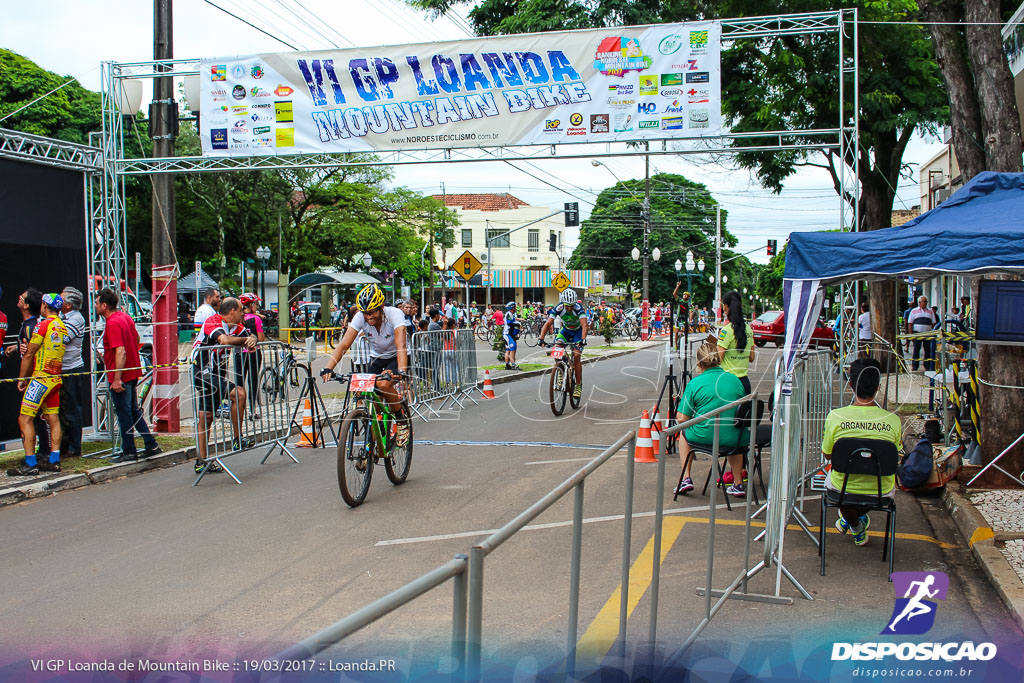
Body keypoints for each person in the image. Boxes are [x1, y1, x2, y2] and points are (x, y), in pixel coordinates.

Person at [821, 357, 901, 546]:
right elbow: (892, 458)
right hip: (881, 491)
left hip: (843, 489)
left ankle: (854, 524)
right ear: (878, 386)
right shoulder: (893, 420)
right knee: (866, 479)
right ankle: (855, 522)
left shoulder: (835, 417)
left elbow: (828, 454)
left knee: (839, 484)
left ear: (850, 384)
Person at [321, 284, 411, 445]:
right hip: (377, 358)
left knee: (383, 384)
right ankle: (372, 441)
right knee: (362, 395)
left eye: (372, 312)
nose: (369, 317)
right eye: (365, 313)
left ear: (381, 307)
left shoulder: (394, 315)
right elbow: (343, 345)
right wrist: (329, 367)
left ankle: (401, 418)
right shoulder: (360, 317)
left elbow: (401, 346)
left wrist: (401, 371)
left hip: (397, 356)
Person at [94, 288, 163, 465]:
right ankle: (151, 444)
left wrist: (117, 378)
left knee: (124, 413)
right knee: (133, 410)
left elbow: (120, 352)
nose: (95, 306)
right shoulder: (125, 318)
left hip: (122, 375)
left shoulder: (113, 323)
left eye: (96, 303)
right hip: (132, 371)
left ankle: (129, 450)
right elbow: (136, 337)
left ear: (104, 305)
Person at [674, 341, 750, 498]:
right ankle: (737, 483)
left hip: (705, 435)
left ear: (699, 362)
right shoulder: (735, 380)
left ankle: (686, 477)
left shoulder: (695, 384)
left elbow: (682, 419)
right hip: (735, 437)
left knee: (683, 434)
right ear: (718, 359)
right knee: (733, 431)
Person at [192, 296, 257, 473]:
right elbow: (225, 341)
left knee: (207, 416)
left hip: (217, 375)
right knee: (239, 393)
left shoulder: (237, 326)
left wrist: (252, 340)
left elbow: (251, 337)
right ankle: (237, 439)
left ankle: (201, 461)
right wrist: (246, 341)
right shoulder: (213, 321)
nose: (244, 313)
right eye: (242, 310)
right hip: (202, 373)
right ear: (232, 311)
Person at [6, 293, 69, 476]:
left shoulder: (44, 324)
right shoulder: (61, 326)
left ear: (44, 305)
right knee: (53, 418)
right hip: (56, 378)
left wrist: (21, 378)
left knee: (24, 419)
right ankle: (54, 461)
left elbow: (29, 354)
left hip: (41, 377)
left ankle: (30, 462)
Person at [5, 288, 51, 457]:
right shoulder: (27, 325)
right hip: (33, 377)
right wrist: (17, 348)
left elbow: (32, 352)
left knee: (33, 417)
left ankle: (42, 452)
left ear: (26, 305)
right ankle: (42, 451)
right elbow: (28, 347)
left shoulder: (32, 325)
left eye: (22, 297)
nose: (18, 297)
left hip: (35, 377)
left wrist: (24, 378)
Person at [539, 289, 589, 398]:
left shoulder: (578, 308)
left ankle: (578, 385)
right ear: (563, 303)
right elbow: (548, 323)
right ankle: (560, 371)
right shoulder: (559, 308)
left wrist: (583, 339)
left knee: (576, 356)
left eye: (571, 305)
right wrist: (541, 338)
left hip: (578, 333)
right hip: (565, 331)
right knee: (557, 349)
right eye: (567, 306)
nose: (569, 308)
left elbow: (585, 325)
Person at [59, 286, 87, 458]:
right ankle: (64, 442)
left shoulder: (76, 319)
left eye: (61, 299)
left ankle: (74, 446)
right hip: (61, 368)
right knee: (62, 409)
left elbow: (61, 338)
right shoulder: (62, 318)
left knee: (72, 409)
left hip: (72, 369)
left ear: (69, 305)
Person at [717, 291, 755, 395]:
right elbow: (752, 357)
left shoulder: (726, 331)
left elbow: (718, 359)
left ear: (725, 307)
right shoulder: (748, 330)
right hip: (744, 382)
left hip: (728, 383)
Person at [237, 293, 265, 420]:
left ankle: (238, 409)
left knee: (239, 382)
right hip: (253, 353)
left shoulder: (238, 319)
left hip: (239, 353)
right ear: (251, 305)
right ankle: (252, 411)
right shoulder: (256, 319)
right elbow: (261, 338)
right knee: (253, 381)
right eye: (256, 304)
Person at [906, 295, 936, 371]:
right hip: (917, 333)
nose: (925, 303)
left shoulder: (930, 311)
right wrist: (911, 334)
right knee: (916, 350)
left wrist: (932, 332)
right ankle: (915, 366)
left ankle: (927, 366)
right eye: (923, 301)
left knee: (927, 350)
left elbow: (933, 323)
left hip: (927, 333)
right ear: (919, 302)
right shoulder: (914, 311)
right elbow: (910, 323)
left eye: (926, 301)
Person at [502, 300, 521, 370]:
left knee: (508, 350)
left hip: (507, 334)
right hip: (509, 334)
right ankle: (513, 365)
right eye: (515, 307)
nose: (516, 308)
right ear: (512, 308)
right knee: (513, 350)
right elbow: (510, 323)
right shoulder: (509, 314)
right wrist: (518, 324)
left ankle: (507, 365)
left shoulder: (509, 314)